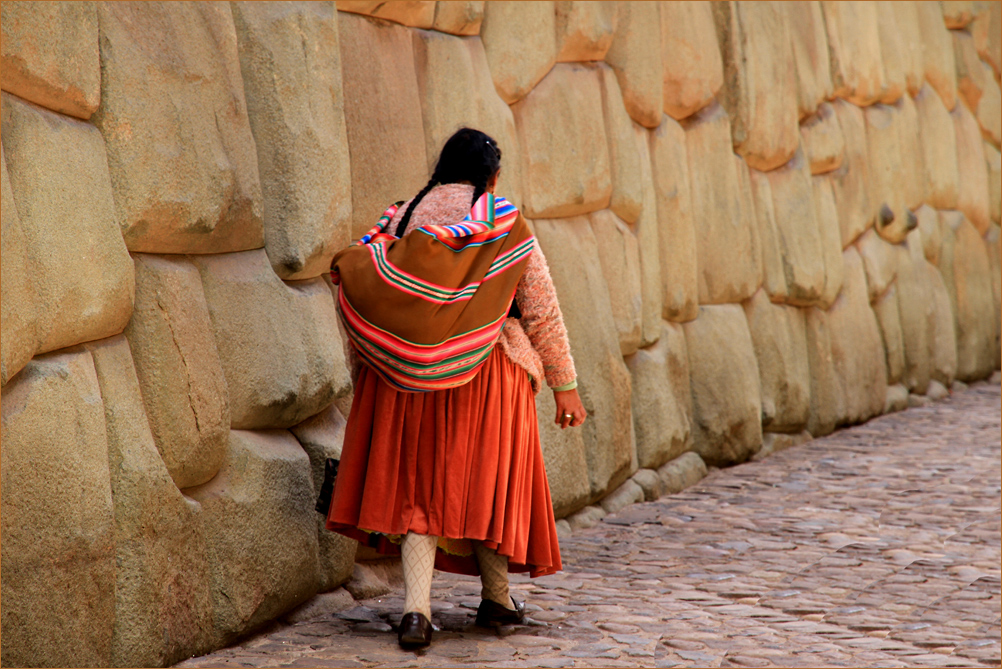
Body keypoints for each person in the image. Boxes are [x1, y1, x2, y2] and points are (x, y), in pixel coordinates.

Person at [325, 128, 586, 650]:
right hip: (489, 369)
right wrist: (565, 386)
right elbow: (540, 308)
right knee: (484, 484)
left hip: (404, 379)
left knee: (418, 486)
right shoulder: (501, 220)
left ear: (442, 168)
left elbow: (371, 299)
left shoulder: (399, 218)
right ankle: (497, 598)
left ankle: (416, 612)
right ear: (491, 175)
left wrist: (370, 368)